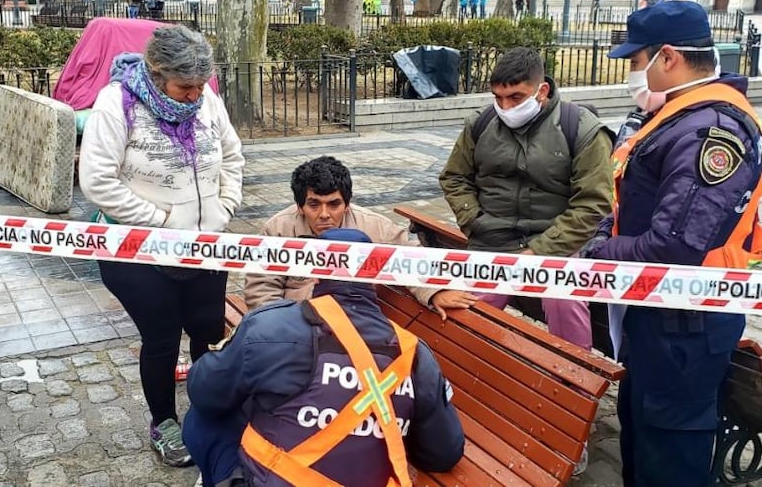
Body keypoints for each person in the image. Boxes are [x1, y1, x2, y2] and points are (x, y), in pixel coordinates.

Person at [583, 1, 762, 485]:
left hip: (686, 322)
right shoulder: (677, 117)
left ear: (667, 57)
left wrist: (598, 255)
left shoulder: (710, 130)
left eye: (635, 63)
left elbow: (674, 244)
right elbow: (633, 207)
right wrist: (606, 233)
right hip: (656, 312)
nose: (631, 75)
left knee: (670, 452)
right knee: (641, 436)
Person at [78, 25, 244, 467]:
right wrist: (162, 222)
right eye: (184, 87)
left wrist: (224, 207)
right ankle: (164, 423)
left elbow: (232, 155)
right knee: (162, 337)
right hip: (138, 252)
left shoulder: (207, 101)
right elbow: (97, 181)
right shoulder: (117, 104)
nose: (194, 96)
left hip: (205, 244)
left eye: (199, 86)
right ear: (156, 73)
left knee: (208, 329)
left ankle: (207, 407)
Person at [183, 228, 466, 487]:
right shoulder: (414, 353)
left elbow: (204, 391)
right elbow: (444, 453)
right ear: (375, 279)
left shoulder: (271, 327)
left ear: (315, 273)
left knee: (202, 418)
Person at [439, 47, 614, 352]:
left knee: (565, 303)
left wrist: (542, 249)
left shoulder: (581, 127)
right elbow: (454, 177)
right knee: (466, 310)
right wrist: (474, 221)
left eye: (516, 98)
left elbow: (593, 203)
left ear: (542, 90)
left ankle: (574, 380)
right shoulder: (481, 124)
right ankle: (469, 382)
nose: (505, 107)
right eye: (498, 98)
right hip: (492, 240)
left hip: (555, 243)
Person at [245, 156, 479, 319]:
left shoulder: (373, 226)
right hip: (295, 324)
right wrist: (280, 329)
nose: (324, 214)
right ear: (299, 206)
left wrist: (434, 292)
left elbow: (412, 259)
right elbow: (262, 290)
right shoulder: (277, 228)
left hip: (354, 323)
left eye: (334, 204)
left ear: (347, 203)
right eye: (314, 204)